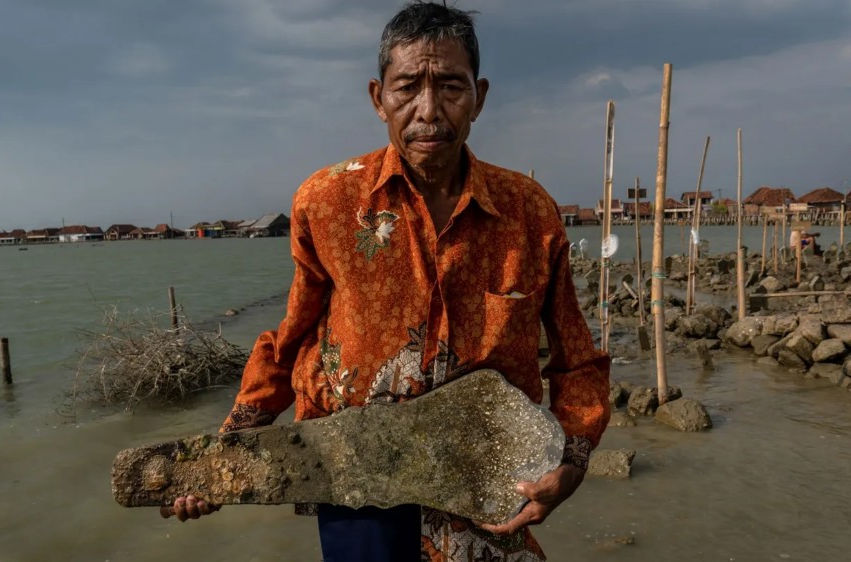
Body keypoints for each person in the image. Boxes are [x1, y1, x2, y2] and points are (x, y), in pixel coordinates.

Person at [168, 3, 611, 560]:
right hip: (356, 477)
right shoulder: (327, 202)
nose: (429, 110)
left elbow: (577, 356)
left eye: (451, 86)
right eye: (408, 88)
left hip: (485, 477)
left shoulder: (530, 213)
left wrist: (572, 462)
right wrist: (222, 458)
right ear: (379, 99)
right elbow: (293, 338)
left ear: (480, 96)